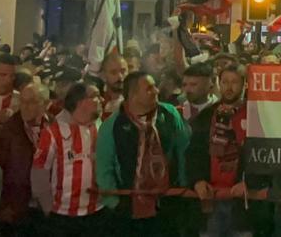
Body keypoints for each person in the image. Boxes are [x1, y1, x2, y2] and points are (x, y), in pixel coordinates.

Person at [96, 71, 189, 235]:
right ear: (133, 95)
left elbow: (183, 150)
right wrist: (115, 203)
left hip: (168, 204)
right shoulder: (112, 125)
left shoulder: (169, 114)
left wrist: (183, 187)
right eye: (149, 88)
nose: (156, 91)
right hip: (128, 210)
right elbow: (104, 168)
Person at [32, 82, 107, 233]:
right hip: (62, 215)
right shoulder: (54, 132)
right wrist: (47, 207)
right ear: (80, 102)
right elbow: (39, 170)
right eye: (95, 96)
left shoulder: (101, 127)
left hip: (97, 211)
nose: (102, 100)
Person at [187, 65, 250, 237]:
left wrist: (250, 181)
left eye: (234, 82)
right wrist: (197, 180)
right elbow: (194, 153)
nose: (229, 87)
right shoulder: (206, 116)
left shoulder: (255, 115)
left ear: (245, 84)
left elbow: (262, 155)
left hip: (242, 201)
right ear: (218, 84)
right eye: (225, 82)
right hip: (211, 198)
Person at [0, 83, 49, 237]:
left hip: (47, 206)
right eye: (22, 101)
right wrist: (1, 207)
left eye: (32, 102)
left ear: (46, 104)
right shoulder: (7, 132)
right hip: (17, 206)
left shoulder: (55, 127)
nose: (25, 106)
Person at [99, 54, 127, 122]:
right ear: (103, 75)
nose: (120, 76)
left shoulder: (136, 99)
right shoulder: (99, 102)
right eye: (113, 72)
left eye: (123, 71)